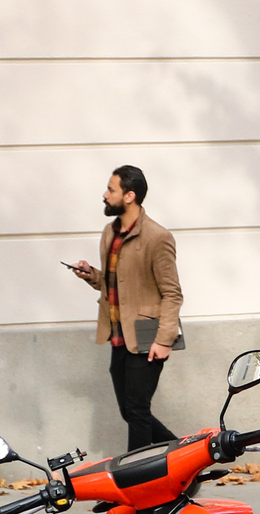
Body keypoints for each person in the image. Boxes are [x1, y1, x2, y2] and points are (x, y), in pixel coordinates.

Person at [69, 164, 183, 450]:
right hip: (118, 336)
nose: (105, 195)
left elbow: (172, 293)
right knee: (130, 412)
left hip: (148, 336)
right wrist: (91, 275)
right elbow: (114, 284)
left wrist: (164, 339)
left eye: (111, 189)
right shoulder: (110, 232)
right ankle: (182, 456)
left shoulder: (158, 237)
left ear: (129, 196)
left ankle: (138, 480)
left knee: (137, 411)